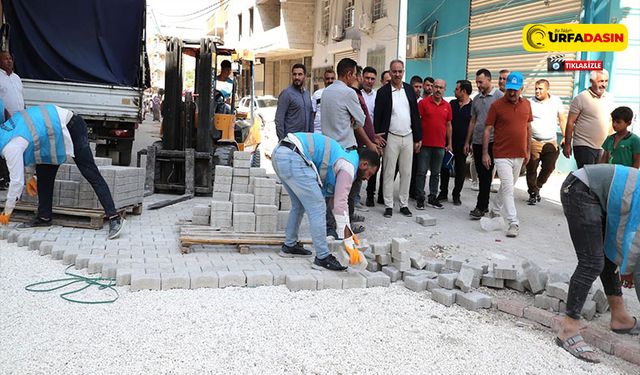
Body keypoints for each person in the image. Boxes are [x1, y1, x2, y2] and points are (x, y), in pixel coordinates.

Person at [0, 105, 125, 239]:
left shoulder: (10, 146)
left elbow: (17, 181)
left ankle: (114, 218)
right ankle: (44, 218)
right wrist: (30, 175)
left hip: (71, 125)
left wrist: (7, 210)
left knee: (89, 171)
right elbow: (30, 144)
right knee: (44, 172)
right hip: (51, 134)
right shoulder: (5, 132)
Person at [555, 164, 640, 363]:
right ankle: (568, 329)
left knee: (607, 258)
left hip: (599, 196)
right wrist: (627, 268)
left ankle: (619, 318)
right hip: (579, 189)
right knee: (591, 262)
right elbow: (632, 235)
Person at [271, 132, 380, 271]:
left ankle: (289, 245)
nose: (367, 178)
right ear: (364, 164)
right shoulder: (348, 167)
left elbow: (336, 203)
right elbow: (341, 204)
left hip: (281, 153)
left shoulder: (345, 157)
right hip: (293, 156)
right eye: (369, 173)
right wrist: (347, 240)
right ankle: (322, 257)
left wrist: (348, 234)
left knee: (299, 205)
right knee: (318, 207)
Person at [482, 72, 531, 238]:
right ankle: (513, 222)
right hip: (501, 154)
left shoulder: (527, 105)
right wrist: (484, 153)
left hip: (519, 153)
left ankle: (495, 210)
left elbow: (528, 128)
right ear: (506, 88)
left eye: (516, 90)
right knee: (509, 189)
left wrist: (528, 151)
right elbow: (487, 129)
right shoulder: (496, 106)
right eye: (510, 89)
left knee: (507, 186)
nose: (512, 93)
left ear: (521, 89)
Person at [374, 59, 422, 218]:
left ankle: (404, 204)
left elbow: (415, 115)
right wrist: (378, 138)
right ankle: (388, 205)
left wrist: (418, 138)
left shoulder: (409, 90)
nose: (397, 74)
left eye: (400, 71)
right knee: (388, 172)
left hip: (408, 137)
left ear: (403, 72)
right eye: (394, 71)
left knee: (406, 172)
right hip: (391, 137)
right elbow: (378, 117)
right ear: (390, 71)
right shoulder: (383, 92)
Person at [465, 68, 504, 219]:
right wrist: (467, 141)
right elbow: (473, 121)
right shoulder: (476, 99)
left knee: (487, 176)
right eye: (477, 82)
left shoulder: (500, 97)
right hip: (477, 142)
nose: (479, 85)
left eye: (481, 82)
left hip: (494, 142)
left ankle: (481, 207)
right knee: (482, 175)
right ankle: (483, 206)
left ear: (489, 80)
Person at [526, 79, 566, 205]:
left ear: (547, 89)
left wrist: (566, 137)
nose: (537, 91)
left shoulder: (556, 101)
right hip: (533, 141)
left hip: (551, 141)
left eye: (540, 88)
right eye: (536, 88)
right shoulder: (529, 102)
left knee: (549, 167)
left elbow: (562, 119)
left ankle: (538, 185)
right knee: (531, 168)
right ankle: (532, 193)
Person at [563, 69, 614, 168]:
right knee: (587, 177)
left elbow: (611, 121)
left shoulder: (609, 98)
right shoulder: (580, 98)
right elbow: (570, 122)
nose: (604, 84)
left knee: (599, 178)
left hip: (603, 147)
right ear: (591, 81)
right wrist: (567, 144)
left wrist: (611, 144)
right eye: (600, 81)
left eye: (606, 81)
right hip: (584, 145)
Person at [416, 79, 452, 210]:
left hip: (440, 146)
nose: (438, 90)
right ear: (432, 88)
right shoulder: (423, 103)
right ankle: (420, 198)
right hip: (424, 144)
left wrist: (450, 143)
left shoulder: (447, 106)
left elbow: (448, 125)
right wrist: (417, 140)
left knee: (436, 173)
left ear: (444, 89)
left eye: (441, 88)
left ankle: (432, 198)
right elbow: (417, 122)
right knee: (421, 172)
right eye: (436, 87)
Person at [439, 80, 473, 206]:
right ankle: (443, 193)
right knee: (445, 168)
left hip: (462, 144)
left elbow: (473, 125)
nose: (454, 91)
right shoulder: (451, 104)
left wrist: (468, 143)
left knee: (460, 170)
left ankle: (456, 194)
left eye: (457, 89)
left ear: (463, 91)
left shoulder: (472, 107)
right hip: (449, 143)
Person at [0, 51, 24, 189]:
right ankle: (3, 178)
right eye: (5, 59)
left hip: (19, 120)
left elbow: (20, 97)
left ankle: (13, 178)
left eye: (10, 58)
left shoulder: (16, 78)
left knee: (16, 148)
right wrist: (5, 113)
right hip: (4, 120)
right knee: (4, 149)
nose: (9, 61)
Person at [275, 63, 313, 140]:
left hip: (305, 141)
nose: (297, 77)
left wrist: (311, 138)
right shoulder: (286, 94)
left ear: (304, 76)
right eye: (294, 74)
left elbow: (311, 118)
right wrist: (282, 141)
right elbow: (279, 120)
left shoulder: (307, 94)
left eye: (300, 74)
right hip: (291, 141)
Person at [311, 69, 336, 133]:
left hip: (333, 131)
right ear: (324, 80)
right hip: (318, 131)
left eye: (332, 78)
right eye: (327, 78)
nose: (330, 81)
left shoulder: (340, 94)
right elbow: (312, 114)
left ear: (335, 79)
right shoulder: (317, 94)